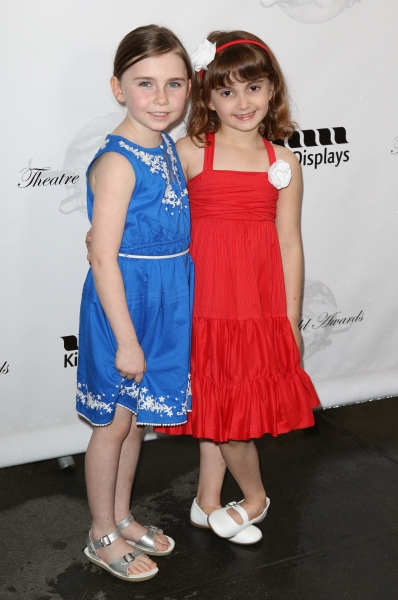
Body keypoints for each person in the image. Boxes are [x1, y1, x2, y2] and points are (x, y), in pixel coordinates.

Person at [155, 30, 320, 544]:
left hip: (255, 305)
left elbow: (290, 245)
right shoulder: (188, 152)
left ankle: (244, 498)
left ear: (272, 90)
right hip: (202, 302)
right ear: (206, 97)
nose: (242, 102)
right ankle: (223, 499)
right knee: (212, 401)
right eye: (227, 91)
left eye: (253, 87)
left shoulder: (285, 162)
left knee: (232, 411)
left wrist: (290, 321)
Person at [76, 25, 193, 581]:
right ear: (118, 87)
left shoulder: (165, 143)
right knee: (113, 426)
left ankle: (121, 516)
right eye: (145, 84)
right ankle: (100, 532)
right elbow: (103, 256)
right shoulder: (120, 160)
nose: (162, 98)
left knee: (134, 423)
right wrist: (125, 338)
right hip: (126, 305)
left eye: (175, 84)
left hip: (162, 300)